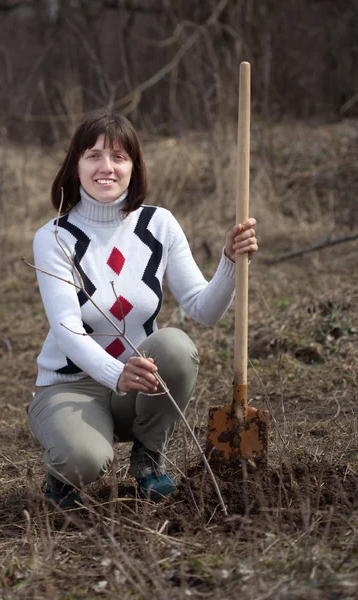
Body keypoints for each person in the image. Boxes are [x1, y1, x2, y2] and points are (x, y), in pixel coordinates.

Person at [28, 108, 258, 507]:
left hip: (135, 388)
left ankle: (149, 461)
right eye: (94, 155)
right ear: (76, 165)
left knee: (173, 346)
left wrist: (230, 262)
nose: (107, 167)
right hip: (73, 386)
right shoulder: (54, 237)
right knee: (84, 462)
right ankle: (63, 473)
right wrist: (116, 373)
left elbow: (203, 310)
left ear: (134, 166)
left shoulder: (160, 225)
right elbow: (67, 329)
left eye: (119, 157)